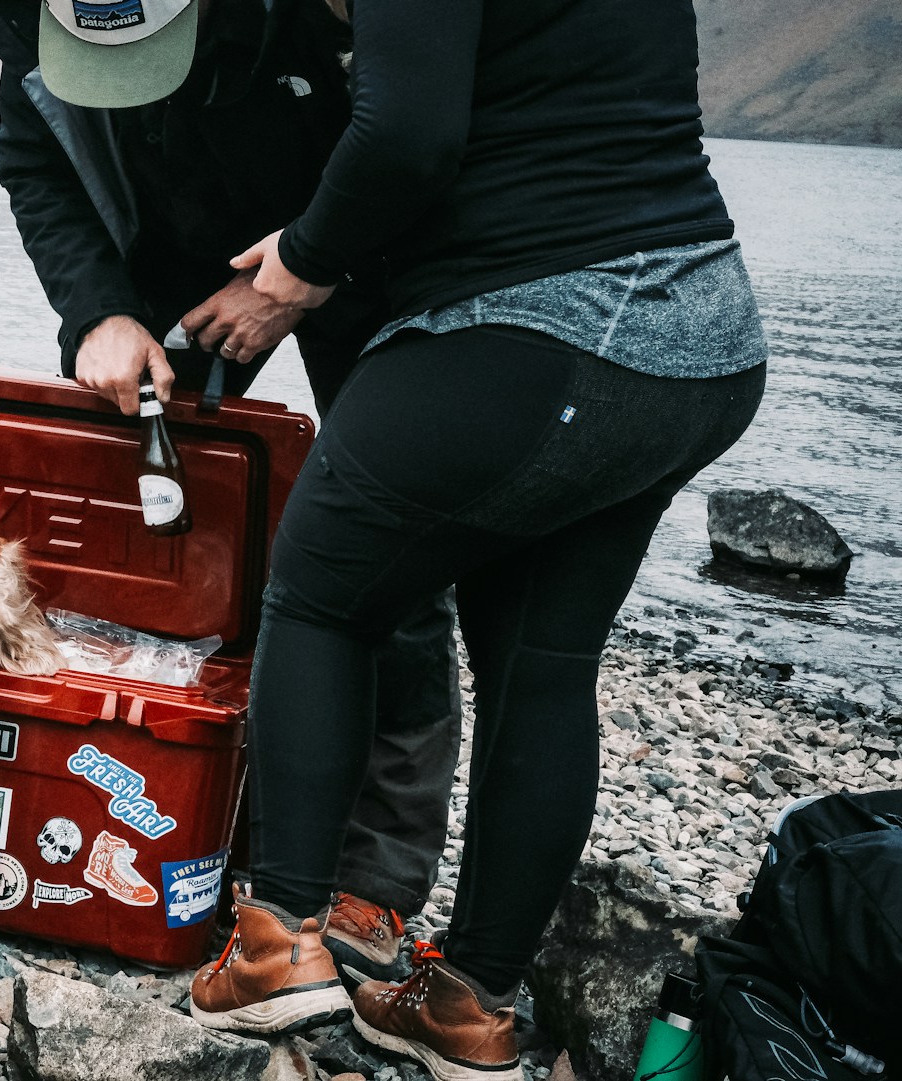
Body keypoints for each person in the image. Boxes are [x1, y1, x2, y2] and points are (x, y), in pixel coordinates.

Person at [181, 0, 769, 1073]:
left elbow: (408, 134)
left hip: (543, 330)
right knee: (544, 664)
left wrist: (305, 260)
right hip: (698, 336)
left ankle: (277, 945)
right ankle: (469, 1006)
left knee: (319, 594)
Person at [0, 0, 459, 983]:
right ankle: (154, 810)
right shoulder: (25, 20)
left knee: (386, 554)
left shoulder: (320, 18)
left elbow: (412, 140)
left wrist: (311, 259)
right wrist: (97, 313)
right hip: (168, 259)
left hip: (357, 243)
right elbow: (36, 163)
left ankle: (372, 882)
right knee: (144, 538)